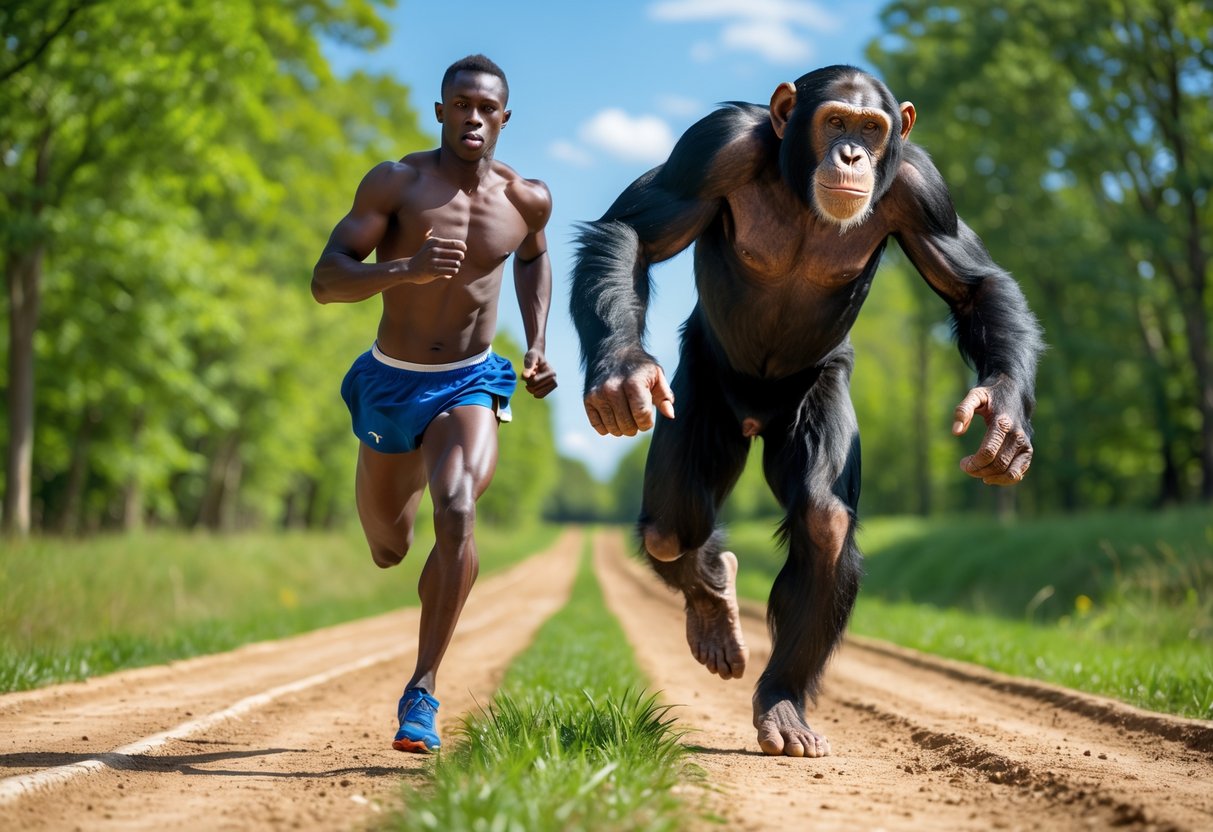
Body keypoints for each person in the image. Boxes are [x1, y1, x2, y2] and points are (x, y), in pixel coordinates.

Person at [311, 54, 557, 753]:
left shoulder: (527, 197)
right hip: (393, 382)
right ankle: (409, 512)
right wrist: (404, 270)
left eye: (486, 107)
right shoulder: (397, 183)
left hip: (471, 380)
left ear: (504, 118)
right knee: (390, 548)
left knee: (458, 508)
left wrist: (537, 343)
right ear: (441, 110)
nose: (473, 116)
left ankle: (421, 689)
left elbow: (533, 257)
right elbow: (326, 280)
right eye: (461, 104)